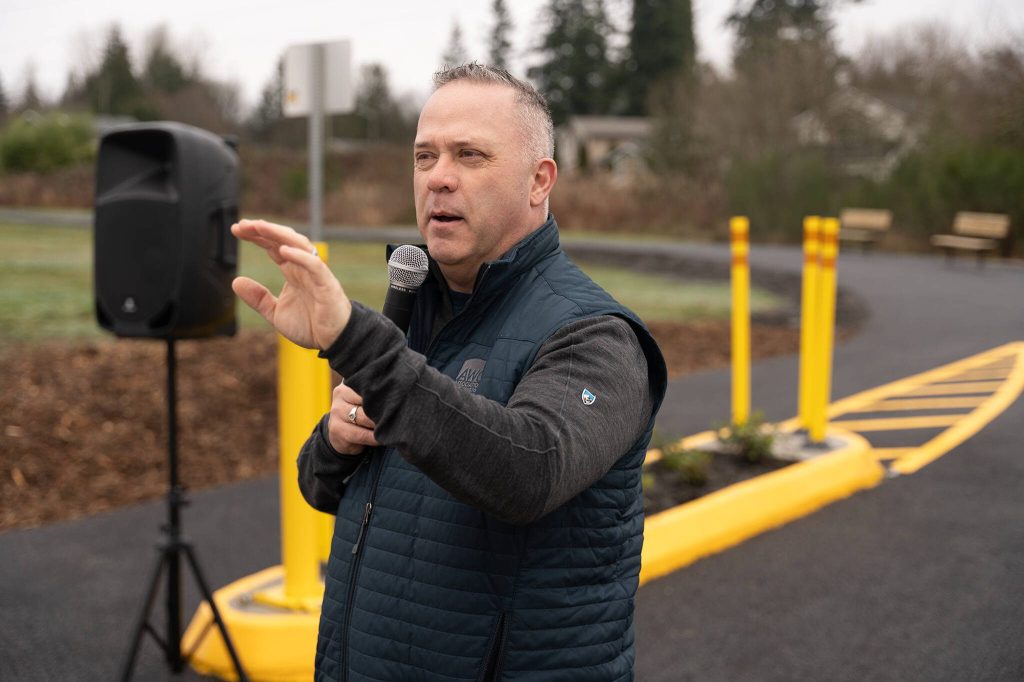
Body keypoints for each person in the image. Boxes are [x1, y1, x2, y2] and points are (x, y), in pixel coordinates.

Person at [231, 64, 667, 682]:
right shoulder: (411, 311)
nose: (439, 178)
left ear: (540, 180)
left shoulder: (598, 336)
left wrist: (354, 341)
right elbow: (325, 490)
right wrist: (334, 439)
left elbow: (527, 471)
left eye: (470, 155)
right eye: (424, 155)